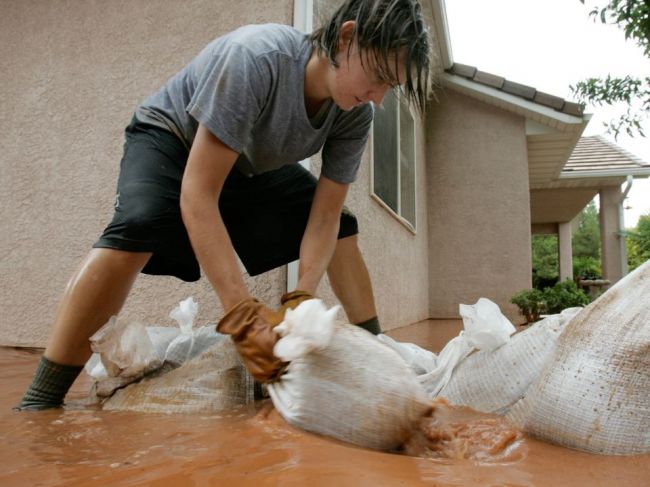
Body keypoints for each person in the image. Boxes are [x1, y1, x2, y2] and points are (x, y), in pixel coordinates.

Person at [17, 0, 431, 410]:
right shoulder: (256, 58)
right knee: (139, 225)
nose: (377, 98)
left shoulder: (354, 114)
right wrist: (243, 317)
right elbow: (198, 194)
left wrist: (302, 297)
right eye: (377, 77)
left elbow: (323, 216)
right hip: (170, 138)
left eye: (389, 87)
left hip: (245, 166)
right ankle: (42, 396)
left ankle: (379, 358)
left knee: (342, 226)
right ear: (346, 37)